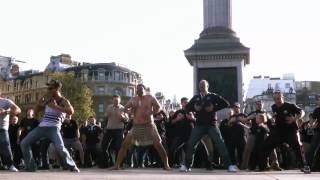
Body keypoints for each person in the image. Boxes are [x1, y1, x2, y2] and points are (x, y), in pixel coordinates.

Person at [20, 79, 80, 172]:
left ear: (57, 89)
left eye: (50, 88)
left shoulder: (63, 101)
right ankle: (30, 166)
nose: (48, 90)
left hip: (54, 128)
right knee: (24, 143)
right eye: (48, 88)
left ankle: (72, 166)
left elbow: (71, 111)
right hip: (42, 127)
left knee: (60, 148)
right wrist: (38, 104)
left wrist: (56, 107)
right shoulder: (48, 100)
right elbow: (36, 112)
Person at [180, 80, 237, 172]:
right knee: (191, 144)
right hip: (199, 125)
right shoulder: (196, 97)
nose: (201, 86)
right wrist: (194, 108)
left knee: (220, 144)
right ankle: (187, 165)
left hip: (211, 124)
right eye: (200, 85)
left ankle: (229, 165)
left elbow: (226, 103)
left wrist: (214, 108)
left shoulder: (213, 96)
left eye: (203, 85)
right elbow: (187, 108)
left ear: (207, 86)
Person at [111, 84, 170, 170]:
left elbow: (159, 107)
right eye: (137, 89)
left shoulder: (150, 97)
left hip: (149, 125)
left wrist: (152, 112)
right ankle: (117, 165)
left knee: (158, 144)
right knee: (124, 144)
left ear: (144, 90)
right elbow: (125, 109)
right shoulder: (133, 99)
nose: (139, 90)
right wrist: (125, 112)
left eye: (141, 89)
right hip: (136, 126)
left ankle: (166, 164)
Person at [258, 91, 310, 173]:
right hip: (278, 132)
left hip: (290, 131)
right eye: (275, 99)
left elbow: (302, 112)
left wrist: (295, 118)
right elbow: (275, 116)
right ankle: (262, 166)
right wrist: (272, 119)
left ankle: (304, 166)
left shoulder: (290, 106)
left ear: (282, 97)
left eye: (278, 98)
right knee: (265, 146)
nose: (277, 101)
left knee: (297, 147)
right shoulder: (274, 107)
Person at [100, 95, 128, 168]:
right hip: (109, 129)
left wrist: (122, 117)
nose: (116, 102)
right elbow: (105, 117)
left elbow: (127, 120)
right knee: (104, 146)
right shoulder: (109, 107)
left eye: (117, 100)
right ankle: (106, 163)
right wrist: (106, 115)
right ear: (112, 101)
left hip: (119, 130)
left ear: (120, 101)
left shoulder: (123, 108)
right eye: (115, 100)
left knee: (118, 147)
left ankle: (118, 164)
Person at [0, 94, 21, 172]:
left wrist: (6, 111)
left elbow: (18, 110)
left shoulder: (6, 101)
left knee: (5, 146)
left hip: (2, 128)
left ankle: (10, 165)